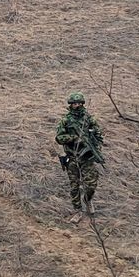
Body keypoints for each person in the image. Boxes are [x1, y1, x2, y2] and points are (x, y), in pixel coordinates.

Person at [55, 92, 105, 223]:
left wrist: (93, 141)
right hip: (72, 157)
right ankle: (78, 211)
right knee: (74, 186)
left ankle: (88, 200)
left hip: (87, 157)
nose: (76, 106)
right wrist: (74, 139)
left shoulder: (89, 119)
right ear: (71, 105)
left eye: (79, 103)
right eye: (74, 104)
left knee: (91, 184)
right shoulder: (65, 121)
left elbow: (99, 136)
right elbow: (59, 138)